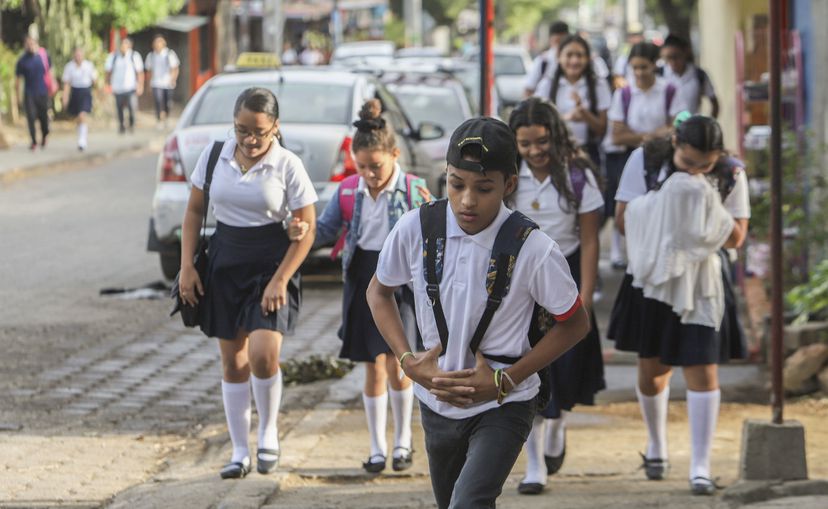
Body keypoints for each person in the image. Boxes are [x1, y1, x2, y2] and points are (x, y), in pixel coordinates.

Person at [366, 116, 591, 508]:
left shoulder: (533, 248)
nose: (468, 200)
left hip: (506, 402)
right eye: (457, 184)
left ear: (509, 185)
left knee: (467, 503)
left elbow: (575, 323)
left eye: (484, 188)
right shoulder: (416, 228)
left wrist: (508, 379)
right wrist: (407, 360)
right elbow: (378, 292)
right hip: (435, 401)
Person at [178, 87, 318, 479]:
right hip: (224, 261)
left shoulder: (287, 164)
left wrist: (281, 280)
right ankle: (239, 450)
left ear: (275, 127)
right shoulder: (214, 155)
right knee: (233, 360)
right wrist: (187, 266)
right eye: (242, 130)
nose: (250, 140)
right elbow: (193, 211)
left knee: (262, 354)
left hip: (271, 264)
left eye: (258, 132)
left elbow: (307, 231)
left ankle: (268, 431)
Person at [608, 114, 749, 496]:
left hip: (703, 281)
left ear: (717, 157)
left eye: (705, 165)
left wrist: (703, 204)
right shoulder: (645, 161)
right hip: (652, 274)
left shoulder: (731, 173)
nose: (696, 170)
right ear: (674, 144)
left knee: (703, 368)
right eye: (689, 163)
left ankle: (700, 465)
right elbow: (622, 219)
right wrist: (667, 202)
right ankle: (657, 444)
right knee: (653, 367)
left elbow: (737, 236)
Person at [288, 99, 431, 473]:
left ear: (395, 154)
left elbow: (433, 239)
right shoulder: (349, 191)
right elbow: (327, 230)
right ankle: (376, 447)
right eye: (361, 166)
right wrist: (302, 232)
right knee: (371, 366)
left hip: (401, 282)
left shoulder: (415, 192)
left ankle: (403, 442)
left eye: (376, 166)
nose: (369, 174)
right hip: (363, 278)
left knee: (402, 362)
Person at [508, 98, 606, 495]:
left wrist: (586, 292)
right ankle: (533, 465)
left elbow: (590, 237)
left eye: (542, 142)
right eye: (525, 144)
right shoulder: (508, 175)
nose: (534, 152)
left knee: (564, 371)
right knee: (529, 369)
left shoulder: (577, 173)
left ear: (555, 136)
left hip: (565, 276)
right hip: (522, 283)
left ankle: (558, 425)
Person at [603, 41, 686, 270]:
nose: (639, 73)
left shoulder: (668, 90)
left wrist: (638, 134)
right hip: (631, 157)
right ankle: (620, 250)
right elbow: (617, 135)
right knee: (627, 200)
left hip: (663, 157)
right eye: (635, 68)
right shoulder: (625, 94)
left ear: (654, 65)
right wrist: (654, 135)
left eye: (644, 67)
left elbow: (677, 126)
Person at [534, 35, 612, 167]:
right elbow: (536, 123)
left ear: (588, 58)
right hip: (555, 153)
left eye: (580, 55)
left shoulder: (599, 85)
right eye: (569, 55)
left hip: (588, 155)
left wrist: (584, 113)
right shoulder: (547, 85)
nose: (574, 61)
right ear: (559, 57)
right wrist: (566, 118)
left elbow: (601, 129)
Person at [659, 34, 719, 118]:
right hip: (666, 128)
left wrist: (708, 126)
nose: (673, 62)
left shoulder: (698, 75)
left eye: (676, 57)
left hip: (691, 127)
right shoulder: (659, 75)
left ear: (685, 53)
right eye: (668, 58)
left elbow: (714, 102)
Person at [15, 35, 54, 150]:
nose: (30, 46)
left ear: (36, 43)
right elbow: (17, 80)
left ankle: (45, 134)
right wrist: (17, 97)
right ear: (25, 45)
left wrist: (51, 87)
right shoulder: (22, 61)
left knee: (44, 118)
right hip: (29, 94)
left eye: (32, 43)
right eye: (28, 44)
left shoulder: (43, 56)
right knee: (31, 118)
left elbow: (50, 72)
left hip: (42, 92)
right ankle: (33, 141)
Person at [61, 47, 97, 151]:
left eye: (80, 55)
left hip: (85, 91)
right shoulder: (69, 67)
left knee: (82, 115)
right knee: (77, 117)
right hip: (75, 91)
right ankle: (81, 133)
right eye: (76, 55)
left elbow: (94, 80)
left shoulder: (88, 65)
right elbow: (67, 84)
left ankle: (82, 140)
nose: (78, 57)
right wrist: (65, 97)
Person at [105, 37, 144, 134]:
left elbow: (140, 72)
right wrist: (107, 84)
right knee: (119, 108)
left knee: (131, 106)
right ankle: (121, 125)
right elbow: (108, 72)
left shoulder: (134, 56)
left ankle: (131, 124)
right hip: (117, 87)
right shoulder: (113, 56)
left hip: (130, 87)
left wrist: (140, 85)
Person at [524, 21, 570, 97]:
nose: (560, 45)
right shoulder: (542, 61)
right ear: (550, 40)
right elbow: (528, 90)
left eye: (563, 41)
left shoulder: (575, 62)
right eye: (557, 41)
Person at [145, 34, 180, 129]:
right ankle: (159, 119)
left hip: (167, 83)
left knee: (167, 102)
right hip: (156, 82)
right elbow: (149, 70)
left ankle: (166, 117)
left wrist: (173, 79)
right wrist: (148, 83)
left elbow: (175, 68)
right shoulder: (151, 56)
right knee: (158, 100)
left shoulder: (169, 54)